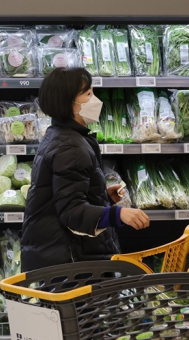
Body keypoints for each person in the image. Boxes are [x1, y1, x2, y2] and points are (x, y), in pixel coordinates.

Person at [21, 67, 150, 272]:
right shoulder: (71, 148)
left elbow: (62, 196)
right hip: (69, 262)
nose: (95, 100)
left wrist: (99, 195)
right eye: (88, 94)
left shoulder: (60, 136)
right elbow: (72, 212)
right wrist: (118, 214)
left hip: (55, 255)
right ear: (69, 103)